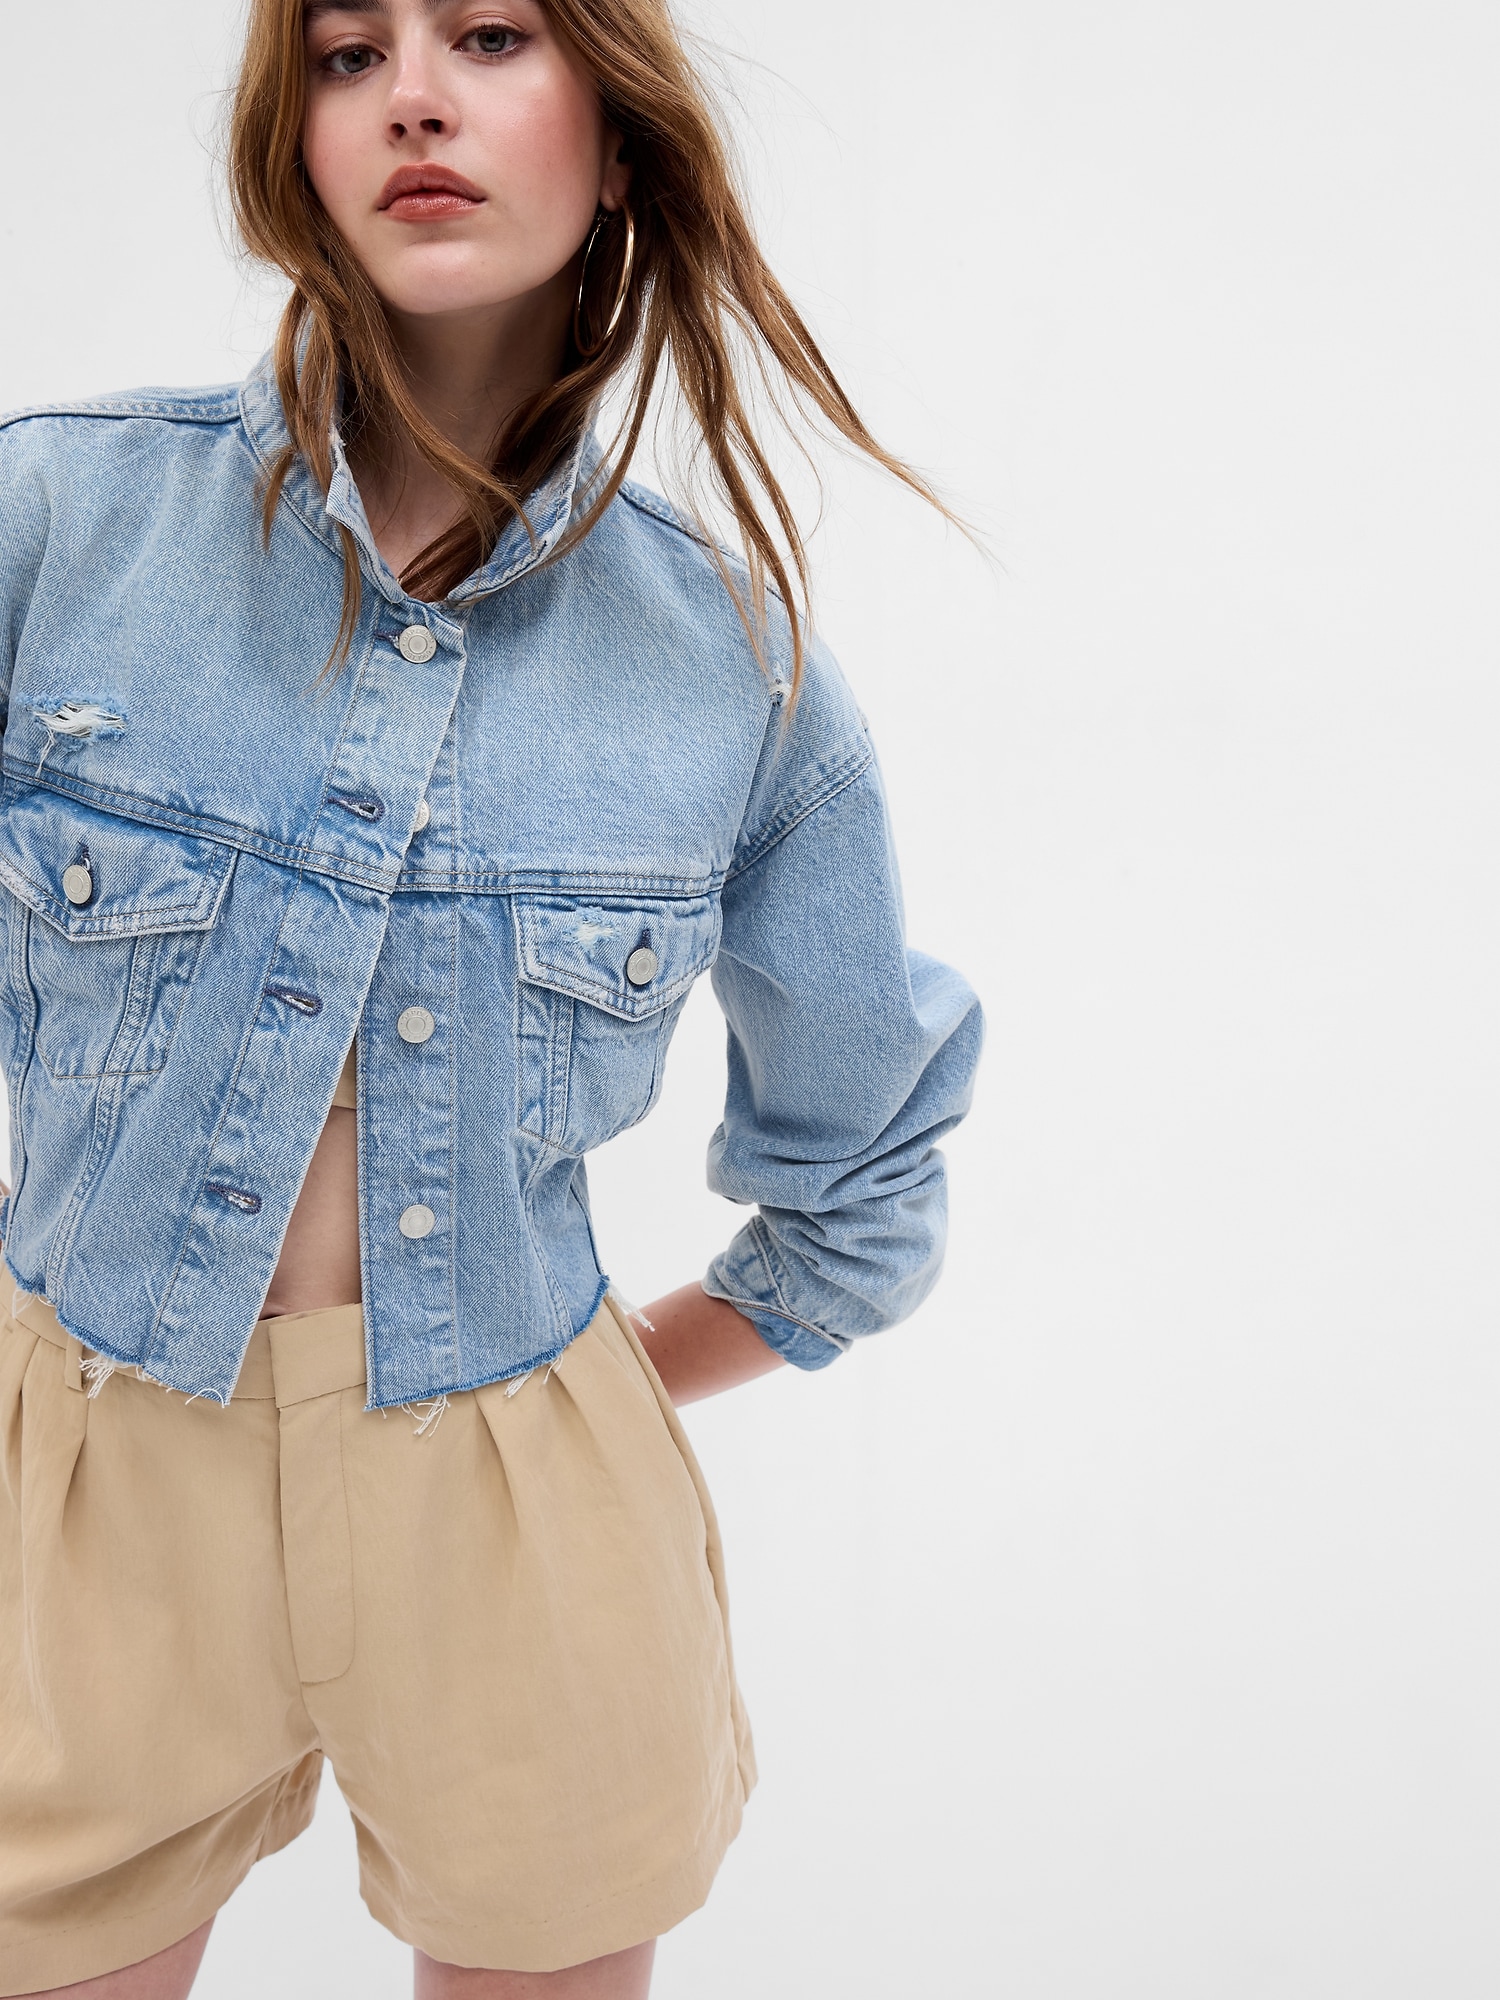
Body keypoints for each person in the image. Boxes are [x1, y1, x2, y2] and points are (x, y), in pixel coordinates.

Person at [0, 0, 982, 1993]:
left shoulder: (729, 663)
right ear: (294, 133)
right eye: (349, 52)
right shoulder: (62, 521)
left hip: (524, 1525)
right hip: (91, 1486)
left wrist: (580, 1402)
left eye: (489, 35)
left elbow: (862, 1195)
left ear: (617, 139)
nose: (415, 99)